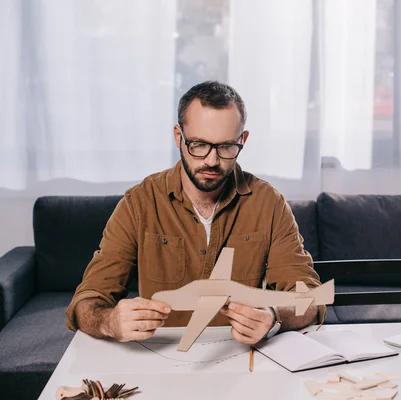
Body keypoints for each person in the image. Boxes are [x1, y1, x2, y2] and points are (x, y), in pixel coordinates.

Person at [66, 81, 324, 345]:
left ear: (242, 141)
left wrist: (273, 316)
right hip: (159, 358)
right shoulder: (139, 203)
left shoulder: (268, 203)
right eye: (199, 145)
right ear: (178, 137)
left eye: (226, 147)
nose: (211, 160)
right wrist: (110, 322)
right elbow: (85, 303)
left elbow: (310, 300)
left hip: (244, 357)